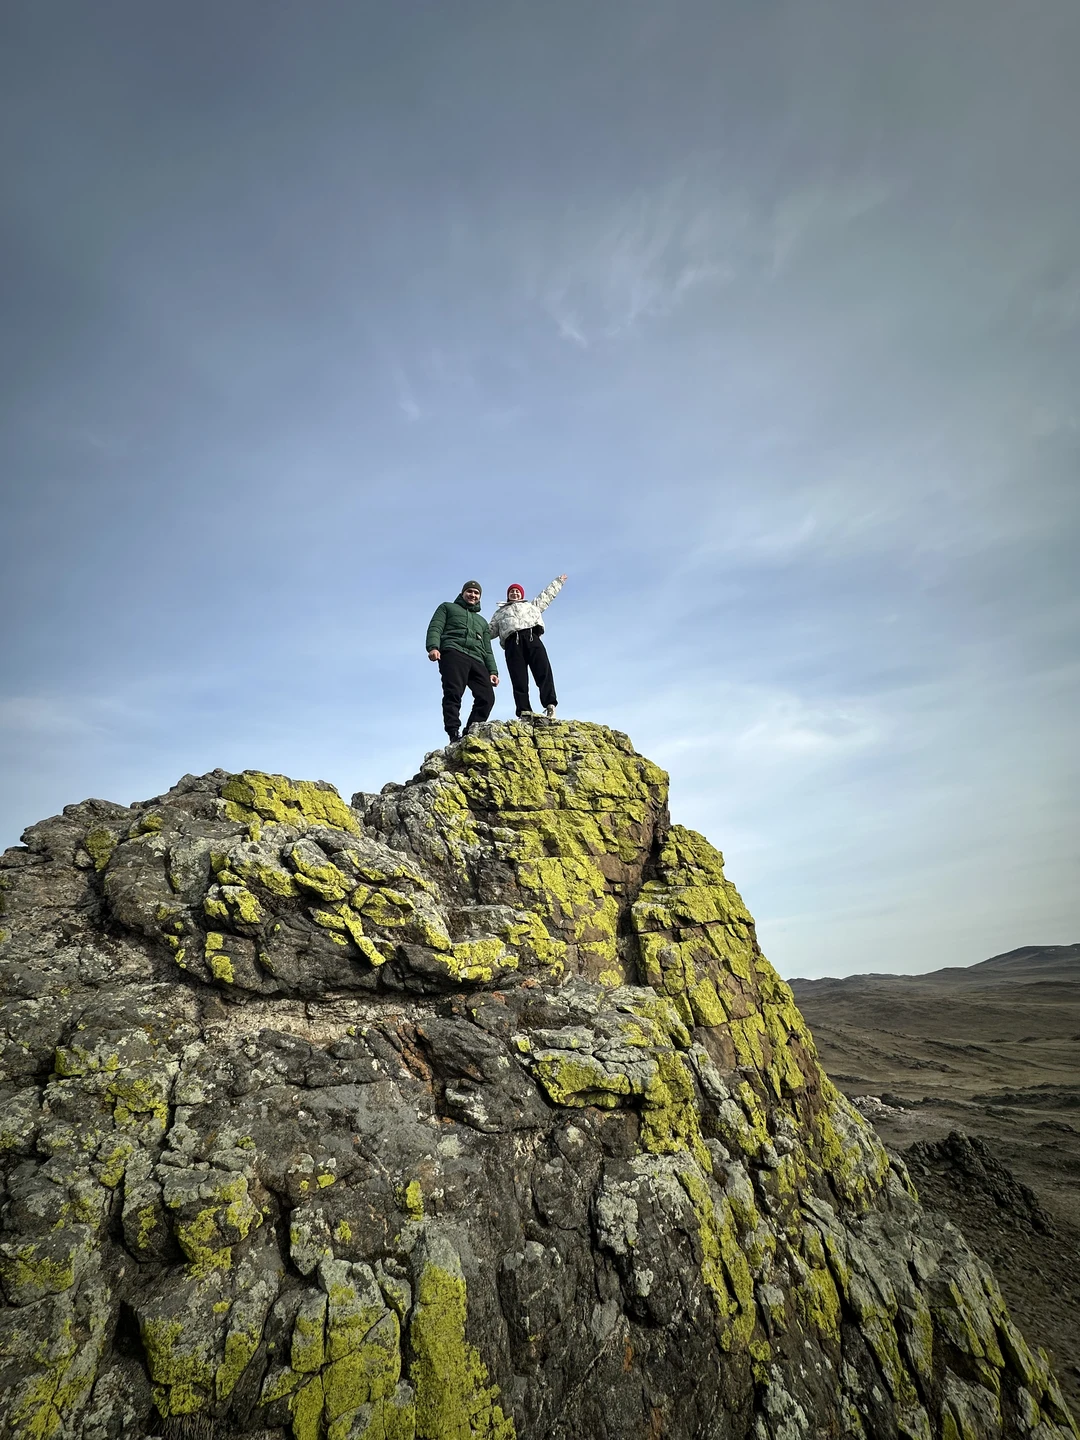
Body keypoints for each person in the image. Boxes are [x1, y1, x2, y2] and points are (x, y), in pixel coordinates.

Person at [425, 581, 500, 743]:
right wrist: (433, 647)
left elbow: (487, 648)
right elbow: (436, 627)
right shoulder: (447, 608)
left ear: (479, 597)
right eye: (470, 591)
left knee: (487, 697)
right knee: (454, 693)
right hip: (453, 652)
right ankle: (453, 732)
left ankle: (471, 731)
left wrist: (493, 671)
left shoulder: (482, 622)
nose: (473, 595)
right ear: (462, 593)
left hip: (477, 659)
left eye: (476, 593)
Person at [487, 575, 567, 719]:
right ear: (508, 595)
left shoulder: (532, 606)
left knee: (543, 671)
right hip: (512, 643)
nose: (514, 593)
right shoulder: (500, 613)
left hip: (532, 638)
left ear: (522, 594)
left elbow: (546, 596)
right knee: (519, 678)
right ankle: (524, 711)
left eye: (517, 591)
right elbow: (489, 631)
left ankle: (550, 705)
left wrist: (558, 582)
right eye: (512, 592)